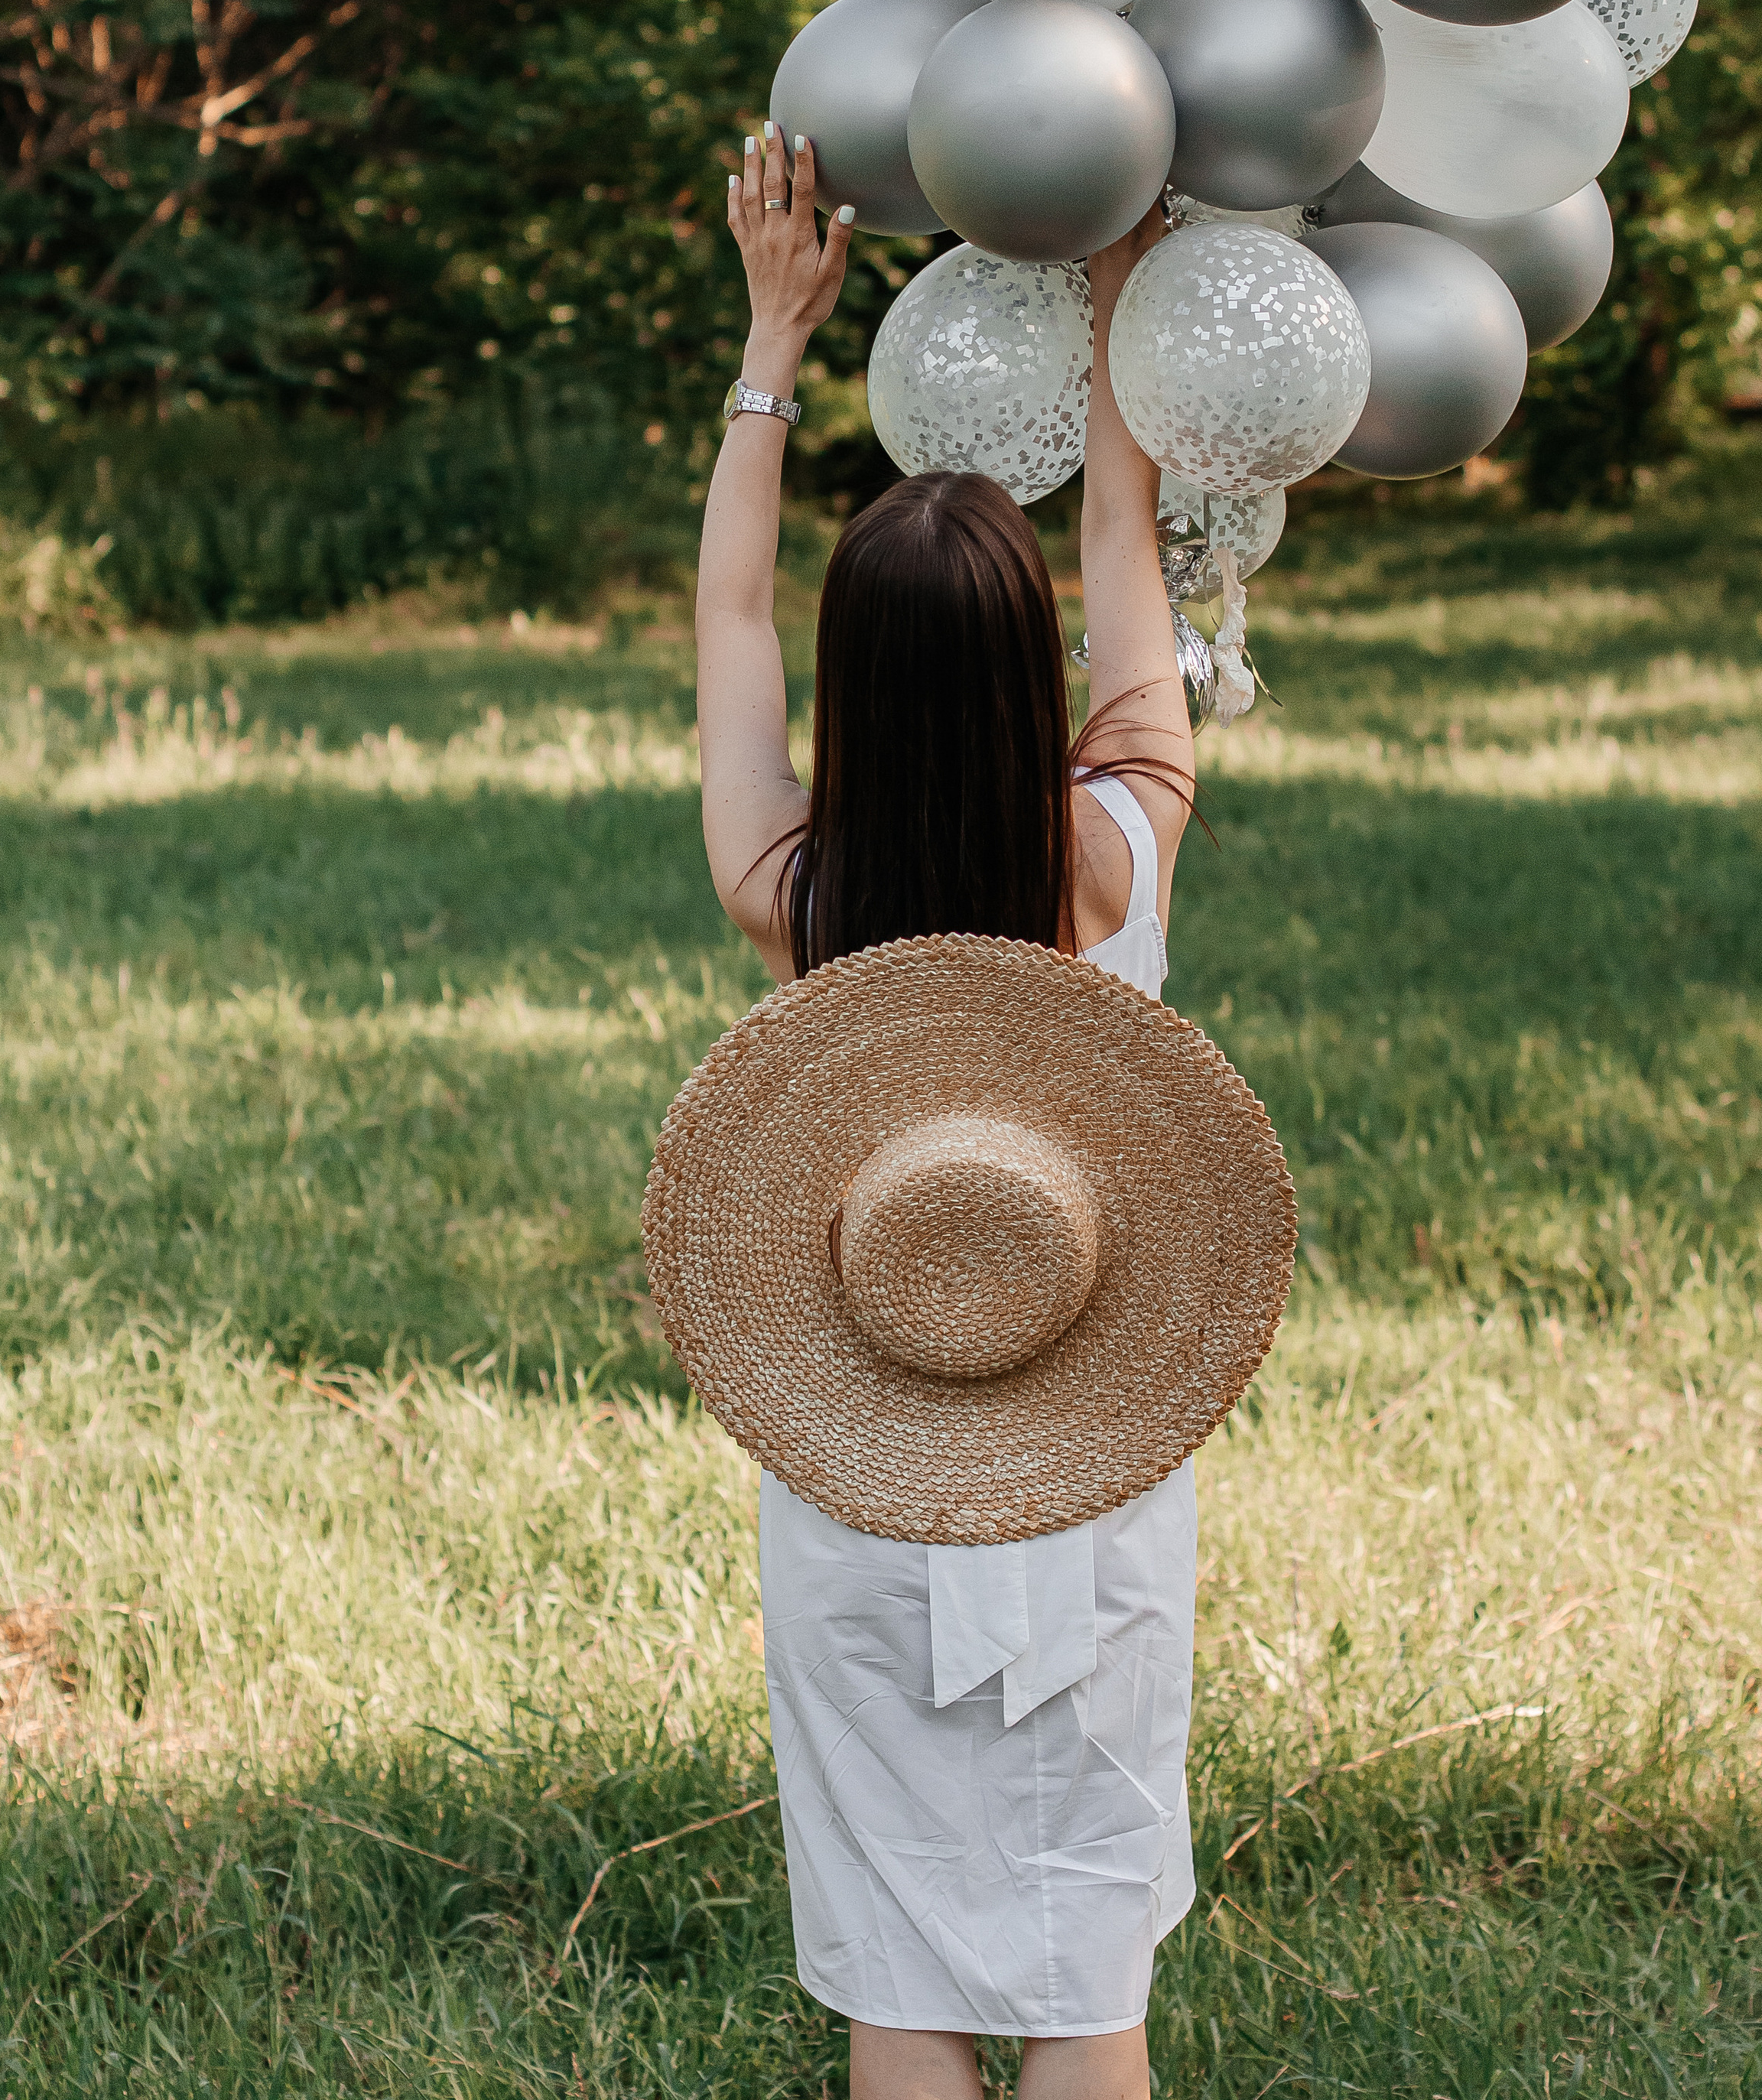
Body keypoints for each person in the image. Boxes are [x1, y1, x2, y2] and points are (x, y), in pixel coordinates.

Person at [694, 119, 1198, 2100]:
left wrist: (771, 343)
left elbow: (731, 632)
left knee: (898, 1970)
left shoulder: (794, 900)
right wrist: (1119, 331)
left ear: (858, 691)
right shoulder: (1115, 860)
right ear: (1026, 684)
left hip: (864, 1465)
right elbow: (1130, 585)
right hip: (1089, 1468)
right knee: (1086, 1975)